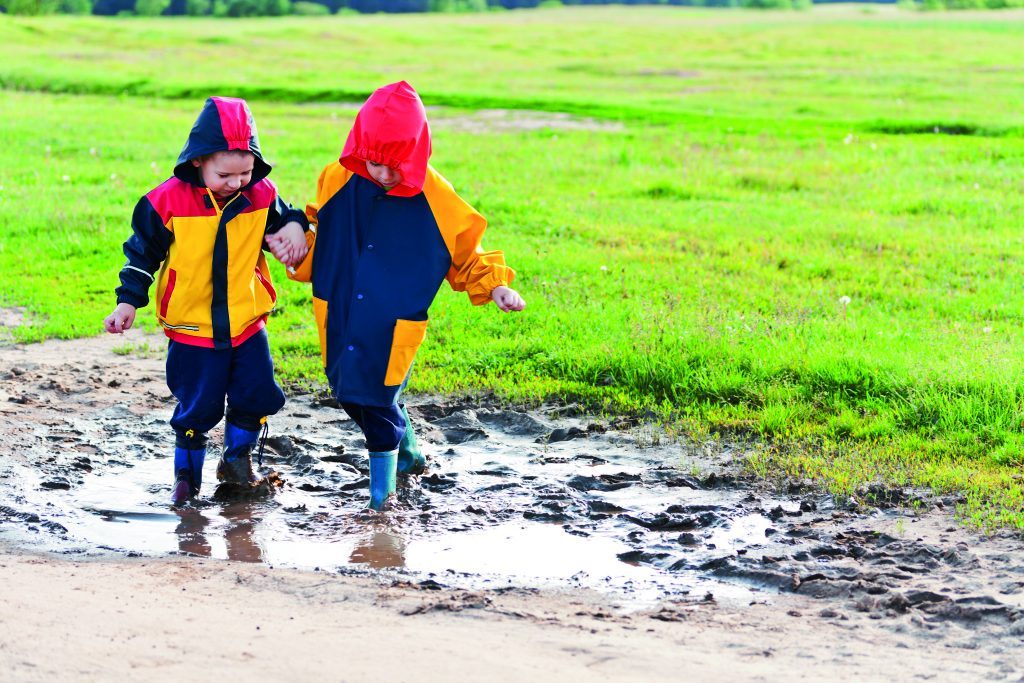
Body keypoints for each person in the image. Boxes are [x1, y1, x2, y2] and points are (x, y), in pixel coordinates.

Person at [274, 81, 525, 511]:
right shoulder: (338, 178)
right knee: (349, 392)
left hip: (393, 325)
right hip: (340, 313)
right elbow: (320, 229)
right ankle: (407, 454)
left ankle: (381, 501)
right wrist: (298, 240)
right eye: (375, 163)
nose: (385, 174)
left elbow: (467, 253)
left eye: (396, 164)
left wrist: (495, 285)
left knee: (376, 403)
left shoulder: (438, 198)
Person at [103, 96, 309, 506]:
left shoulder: (260, 194)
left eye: (245, 173)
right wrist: (128, 302)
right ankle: (186, 480)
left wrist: (295, 230)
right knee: (198, 409)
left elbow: (288, 217)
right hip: (192, 328)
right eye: (225, 174)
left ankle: (236, 461)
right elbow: (142, 254)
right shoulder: (165, 202)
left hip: (248, 324)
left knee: (257, 394)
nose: (236, 183)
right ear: (198, 161)